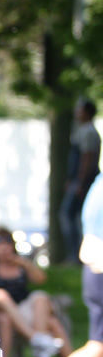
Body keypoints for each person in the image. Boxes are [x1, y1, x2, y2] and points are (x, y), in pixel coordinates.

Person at [29, 170, 103, 357]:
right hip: (99, 270)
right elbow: (92, 246)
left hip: (95, 274)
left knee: (96, 346)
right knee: (97, 345)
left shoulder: (97, 187)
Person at [0, 229, 71, 357]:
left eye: (7, 242)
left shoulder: (20, 265)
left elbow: (41, 279)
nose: (3, 247)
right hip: (2, 313)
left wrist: (23, 263)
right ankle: (36, 341)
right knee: (1, 297)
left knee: (41, 299)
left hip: (25, 310)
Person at [59, 98, 101, 262]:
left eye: (79, 109)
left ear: (86, 112)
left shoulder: (89, 132)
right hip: (79, 181)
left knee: (69, 214)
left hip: (84, 182)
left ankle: (75, 257)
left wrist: (80, 182)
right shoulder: (83, 130)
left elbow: (87, 158)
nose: (77, 112)